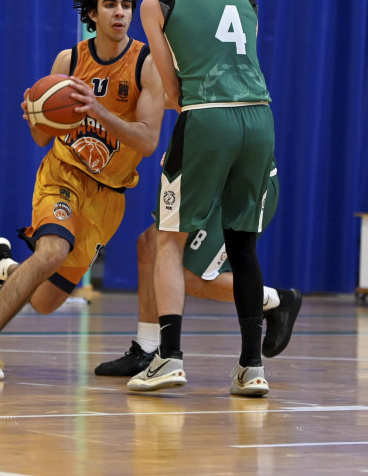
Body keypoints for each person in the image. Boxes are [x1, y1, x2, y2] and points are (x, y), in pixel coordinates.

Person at [0, 0, 164, 381]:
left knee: (44, 301)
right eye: (110, 5)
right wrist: (35, 115)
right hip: (62, 176)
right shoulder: (70, 59)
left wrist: (97, 111)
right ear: (93, 13)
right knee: (52, 251)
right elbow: (42, 139)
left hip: (107, 198)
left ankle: (1, 269)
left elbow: (148, 141)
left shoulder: (146, 64)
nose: (120, 13)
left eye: (127, 5)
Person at [130, 0, 276, 396]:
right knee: (243, 244)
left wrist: (178, 102)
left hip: (207, 117)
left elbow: (170, 85)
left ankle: (169, 357)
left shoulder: (158, 0)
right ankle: (252, 367)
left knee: (169, 238)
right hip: (259, 117)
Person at [94, 160, 303, 377]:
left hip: (241, 182)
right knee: (150, 244)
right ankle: (146, 349)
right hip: (207, 173)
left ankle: (277, 300)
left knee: (187, 275)